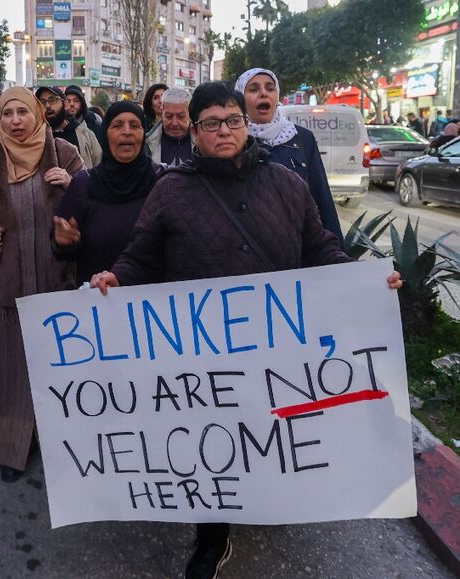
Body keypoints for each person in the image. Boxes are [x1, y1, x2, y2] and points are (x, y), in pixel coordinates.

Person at [90, 81, 402, 579]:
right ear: (194, 131)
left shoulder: (286, 184)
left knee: (270, 433)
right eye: (211, 123)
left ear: (246, 124)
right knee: (213, 446)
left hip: (277, 349)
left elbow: (319, 247)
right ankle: (212, 538)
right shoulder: (171, 190)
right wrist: (116, 278)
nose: (224, 131)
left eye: (232, 120)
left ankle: (268, 502)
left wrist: (363, 280)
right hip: (202, 358)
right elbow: (141, 257)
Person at [0, 87, 83, 483]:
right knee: (9, 364)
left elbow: (93, 203)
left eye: (24, 112)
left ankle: (65, 441)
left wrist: (74, 185)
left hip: (58, 278)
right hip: (5, 277)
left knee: (60, 360)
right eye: (7, 113)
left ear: (39, 115)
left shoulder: (64, 153)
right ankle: (11, 443)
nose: (15, 121)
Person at [52, 101, 162, 285]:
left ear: (143, 134)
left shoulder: (162, 182)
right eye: (117, 125)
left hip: (152, 305)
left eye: (134, 125)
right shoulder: (83, 185)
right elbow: (63, 251)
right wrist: (64, 242)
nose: (126, 131)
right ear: (105, 134)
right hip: (99, 302)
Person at [235, 68, 344, 245]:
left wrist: (339, 256)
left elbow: (321, 196)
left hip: (300, 245)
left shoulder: (302, 138)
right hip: (254, 249)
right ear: (240, 98)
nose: (263, 93)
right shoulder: (235, 140)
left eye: (270, 88)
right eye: (254, 89)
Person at [36, 86, 101, 169]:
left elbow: (99, 166)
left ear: (65, 104)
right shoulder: (36, 137)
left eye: (52, 100)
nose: (47, 105)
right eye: (42, 102)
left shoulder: (85, 134)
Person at [146, 87, 193, 166]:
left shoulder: (204, 144)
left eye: (181, 116)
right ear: (162, 112)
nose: (174, 123)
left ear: (190, 114)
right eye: (168, 116)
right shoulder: (146, 145)